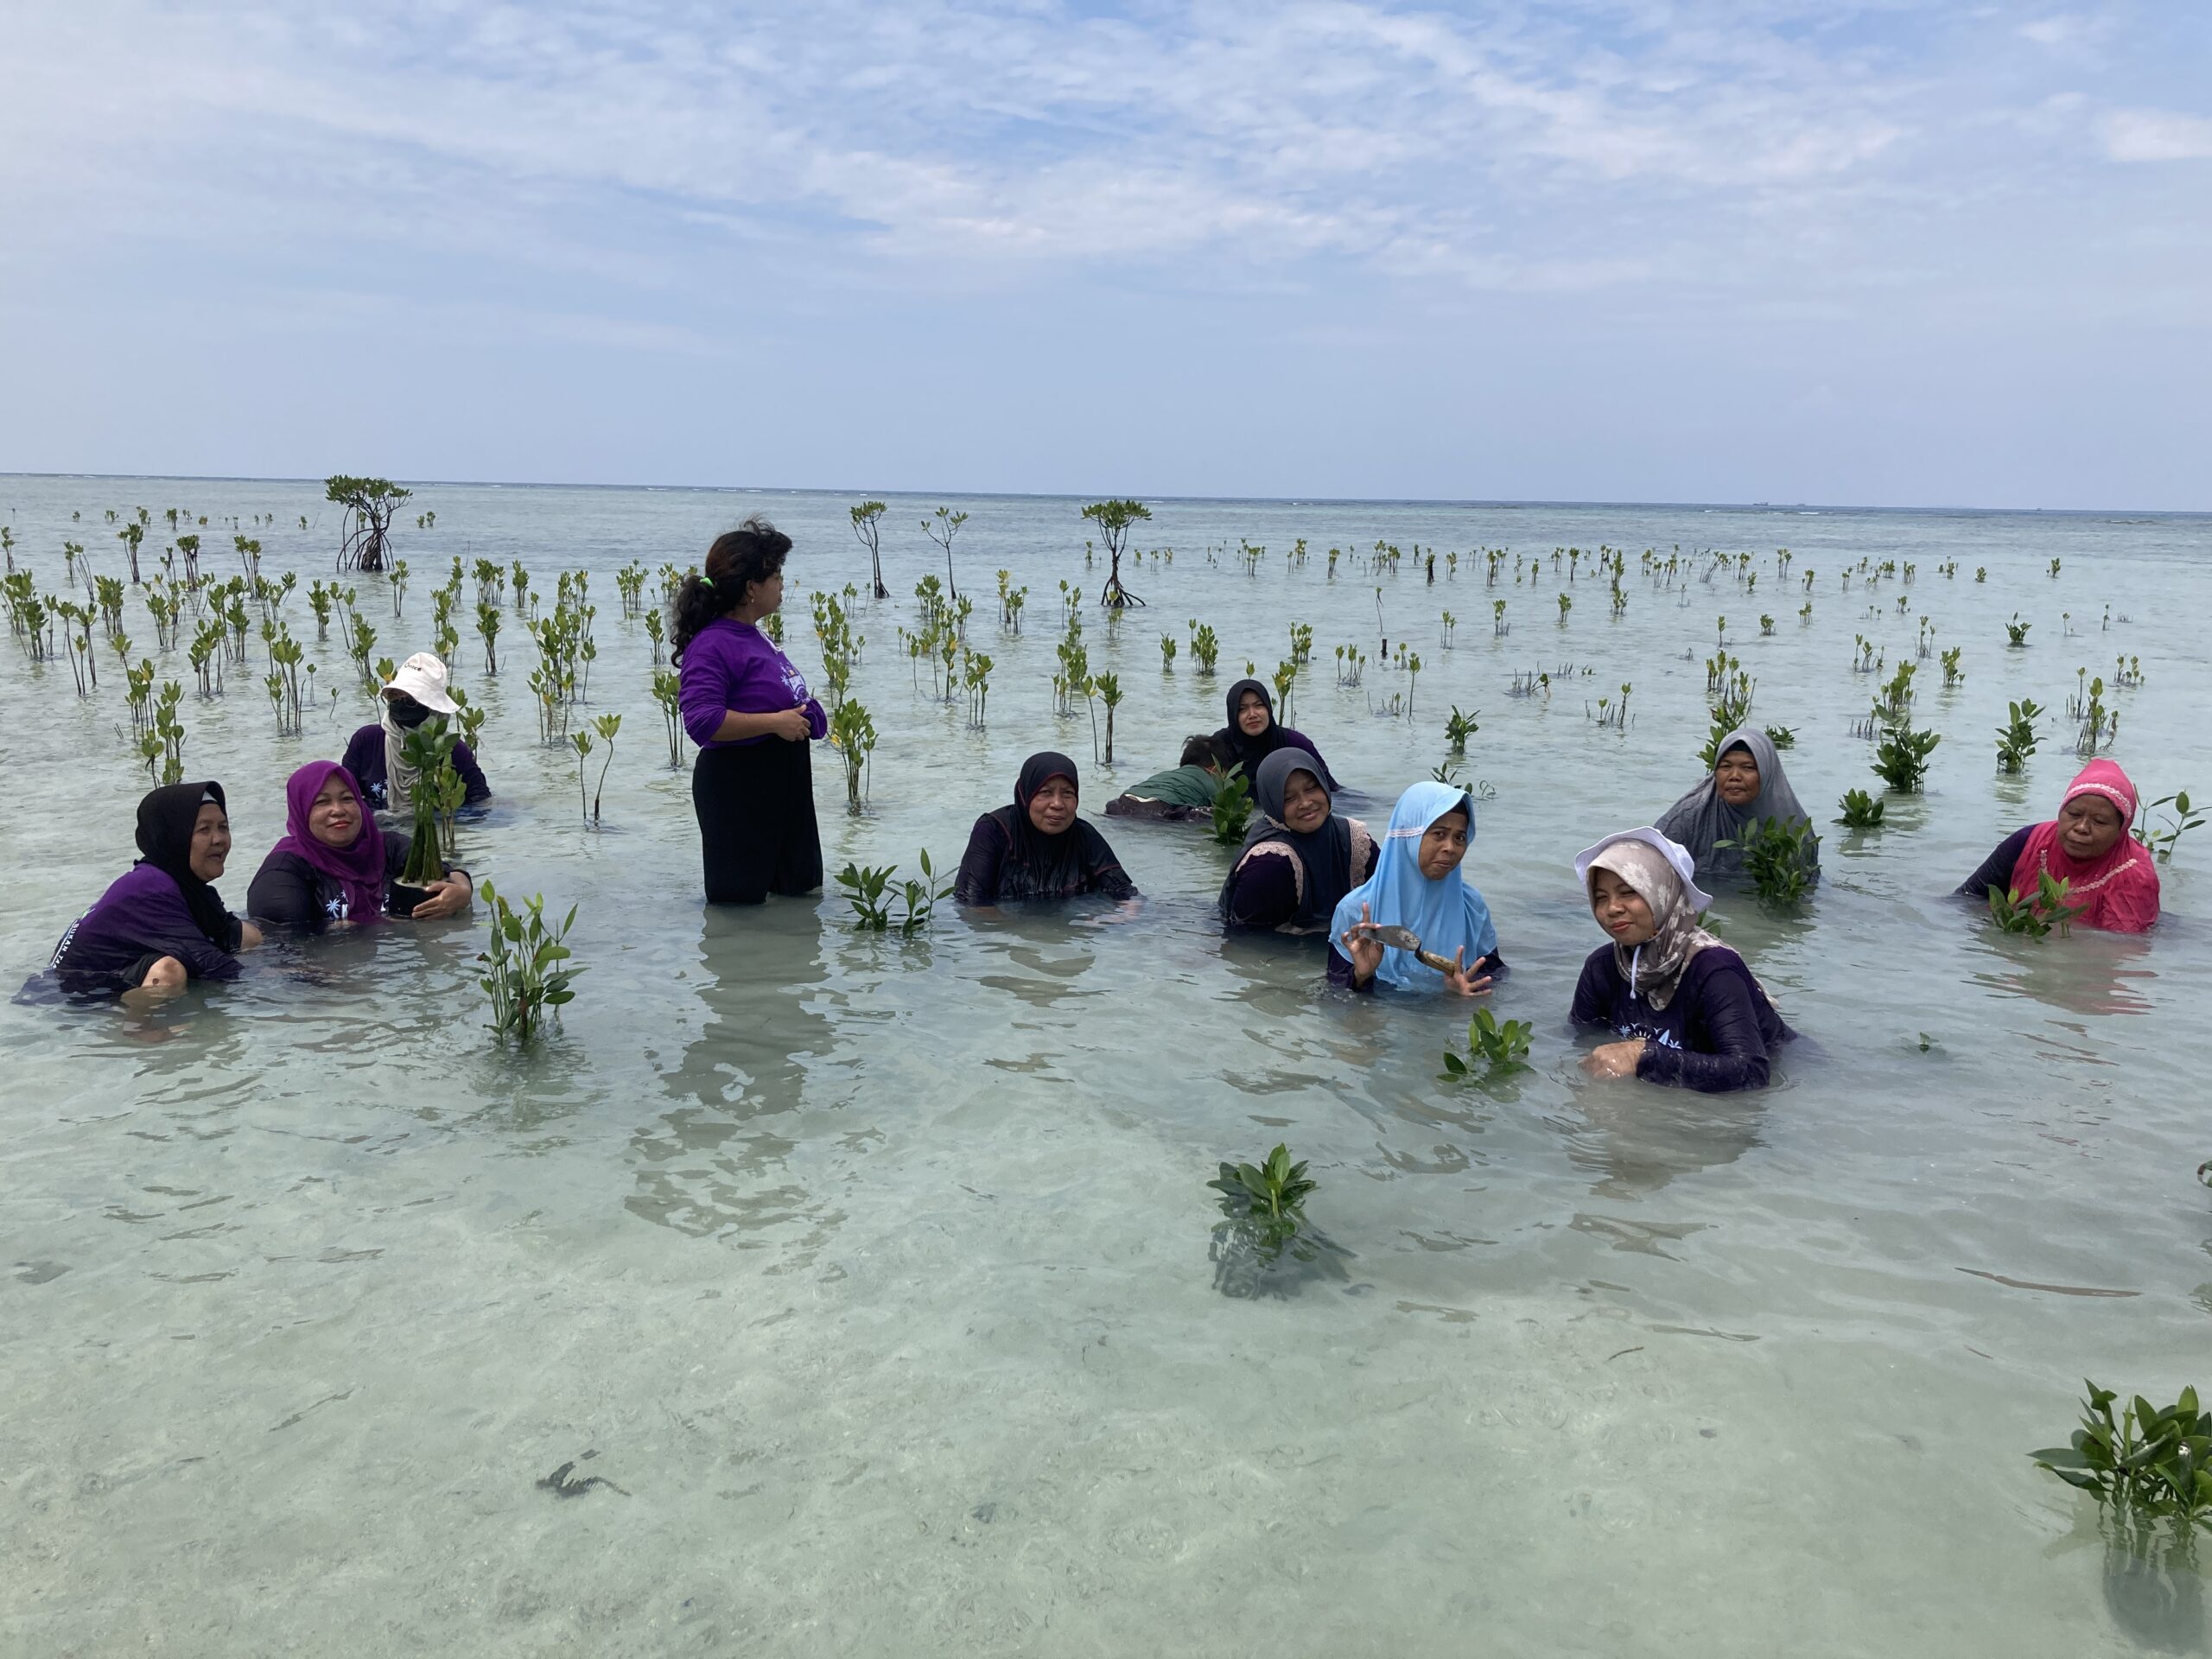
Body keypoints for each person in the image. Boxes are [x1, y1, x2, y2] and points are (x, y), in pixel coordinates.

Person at [673, 517, 828, 905]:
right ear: (750, 589)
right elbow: (702, 722)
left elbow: (773, 698)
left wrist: (809, 714)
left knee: (801, 903)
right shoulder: (712, 645)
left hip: (784, 785)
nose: (781, 585)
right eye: (775, 576)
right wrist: (776, 722)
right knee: (738, 914)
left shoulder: (756, 635)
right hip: (738, 790)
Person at [1571, 828, 1793, 1092]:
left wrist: (1644, 1056)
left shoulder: (1715, 969)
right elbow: (1581, 1040)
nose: (1612, 908)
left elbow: (1752, 1072)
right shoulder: (1602, 967)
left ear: (1662, 894)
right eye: (1601, 898)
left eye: (1628, 892)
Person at [47, 781, 262, 1000]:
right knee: (168, 973)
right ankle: (134, 1027)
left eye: (223, 827)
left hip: (128, 965)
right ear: (174, 836)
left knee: (247, 935)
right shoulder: (150, 887)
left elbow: (225, 935)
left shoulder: (188, 886)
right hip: (80, 990)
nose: (219, 839)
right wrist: (277, 988)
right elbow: (209, 963)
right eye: (204, 829)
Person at [247, 761, 473, 931]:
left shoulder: (388, 846)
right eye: (322, 802)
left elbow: (447, 872)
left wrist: (463, 892)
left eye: (347, 798)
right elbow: (282, 946)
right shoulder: (282, 872)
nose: (338, 810)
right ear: (301, 811)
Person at [1327, 780, 1502, 992]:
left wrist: (1462, 996)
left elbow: (1496, 979)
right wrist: (1361, 976)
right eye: (1439, 834)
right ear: (1408, 835)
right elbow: (1335, 1003)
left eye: (1460, 837)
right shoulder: (1355, 911)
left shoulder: (1471, 906)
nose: (1450, 847)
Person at [1955, 759, 2159, 933]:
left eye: (2099, 821)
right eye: (2074, 814)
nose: (2081, 827)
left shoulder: (2134, 875)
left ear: (2121, 830)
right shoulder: (2027, 842)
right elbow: (1967, 900)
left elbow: (2121, 948)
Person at [1221, 748, 1376, 933]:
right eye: (1288, 798)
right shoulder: (1268, 864)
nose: (1305, 803)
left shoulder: (1353, 838)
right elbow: (1250, 945)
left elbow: (1389, 896)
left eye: (1311, 788)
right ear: (1272, 804)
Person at [955, 752, 1139, 906]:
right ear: (1025, 794)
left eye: (1067, 793)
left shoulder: (1084, 836)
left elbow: (1125, 893)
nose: (1057, 804)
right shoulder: (993, 830)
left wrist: (1117, 919)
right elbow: (971, 904)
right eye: (1045, 793)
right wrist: (1026, 934)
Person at [1656, 728, 1818, 886]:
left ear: (1767, 773)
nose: (1734, 776)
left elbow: (1806, 888)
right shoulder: (1687, 818)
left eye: (1748, 768)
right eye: (1726, 767)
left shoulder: (1794, 830)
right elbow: (1648, 871)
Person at [340, 652, 491, 814]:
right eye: (395, 697)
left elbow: (480, 803)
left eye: (411, 700)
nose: (401, 704)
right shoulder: (366, 741)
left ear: (431, 707)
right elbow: (343, 797)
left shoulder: (452, 749)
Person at [1213, 678, 1342, 791]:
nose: (1252, 714)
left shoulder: (1295, 743)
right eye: (1242, 709)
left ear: (1268, 708)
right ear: (1232, 714)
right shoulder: (1217, 746)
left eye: (1259, 705)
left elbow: (1330, 789)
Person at [1103, 734, 1230, 821]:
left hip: (1122, 803)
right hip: (1161, 810)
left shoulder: (1168, 775)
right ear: (1215, 770)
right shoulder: (1212, 783)